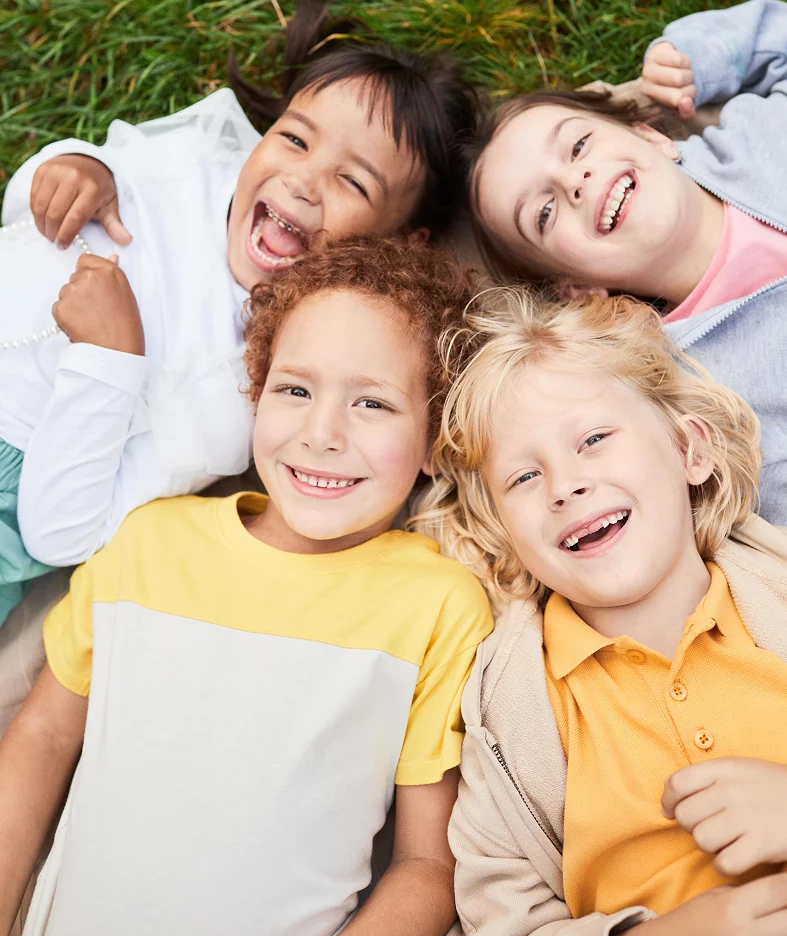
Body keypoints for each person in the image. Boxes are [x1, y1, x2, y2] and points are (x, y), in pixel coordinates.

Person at [0, 236, 493, 936]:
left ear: (437, 438)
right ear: (255, 395)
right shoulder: (149, 542)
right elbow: (44, 733)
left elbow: (427, 866)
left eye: (372, 403)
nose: (321, 433)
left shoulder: (438, 604)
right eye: (295, 390)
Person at [0, 0, 479, 625]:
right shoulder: (196, 161)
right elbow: (29, 214)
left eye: (353, 181)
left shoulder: (247, 386)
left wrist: (108, 359)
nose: (303, 180)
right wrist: (74, 166)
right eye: (295, 139)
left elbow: (60, 534)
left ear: (397, 242)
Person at [414, 288, 787, 936]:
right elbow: (503, 920)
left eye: (594, 439)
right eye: (523, 477)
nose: (565, 485)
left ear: (690, 450)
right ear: (503, 533)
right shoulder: (510, 714)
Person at [468, 0, 787, 529]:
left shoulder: (764, 130)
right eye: (544, 213)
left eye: (579, 145)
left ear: (650, 134)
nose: (574, 180)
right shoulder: (702, 386)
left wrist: (694, 56)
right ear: (576, 287)